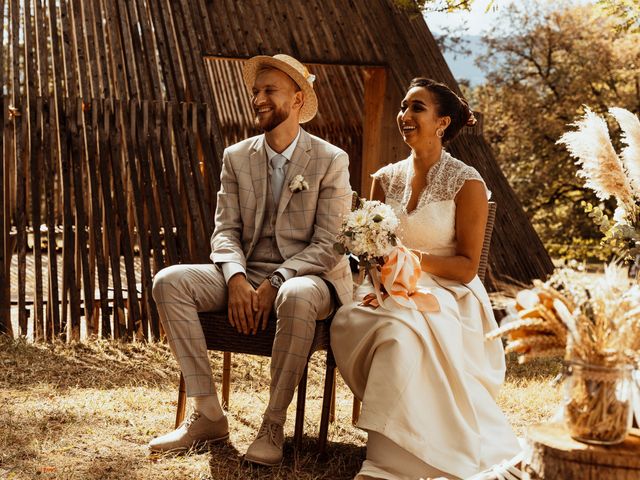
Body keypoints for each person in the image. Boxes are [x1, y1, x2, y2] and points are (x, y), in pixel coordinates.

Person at [149, 54, 352, 466]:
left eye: (268, 91)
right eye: (255, 92)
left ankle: (272, 425)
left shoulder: (331, 159)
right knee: (169, 281)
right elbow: (225, 230)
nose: (257, 99)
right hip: (246, 271)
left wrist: (275, 280)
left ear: (297, 99)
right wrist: (236, 278)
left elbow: (329, 242)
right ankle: (207, 414)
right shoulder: (236, 156)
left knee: (295, 294)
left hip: (310, 278)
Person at [330, 78, 523, 480]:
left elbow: (468, 265)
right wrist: (378, 272)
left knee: (401, 334)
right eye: (403, 107)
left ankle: (397, 459)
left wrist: (411, 259)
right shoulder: (384, 178)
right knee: (358, 317)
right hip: (386, 287)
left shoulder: (467, 182)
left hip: (451, 293)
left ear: (442, 122)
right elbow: (371, 248)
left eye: (417, 108)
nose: (405, 115)